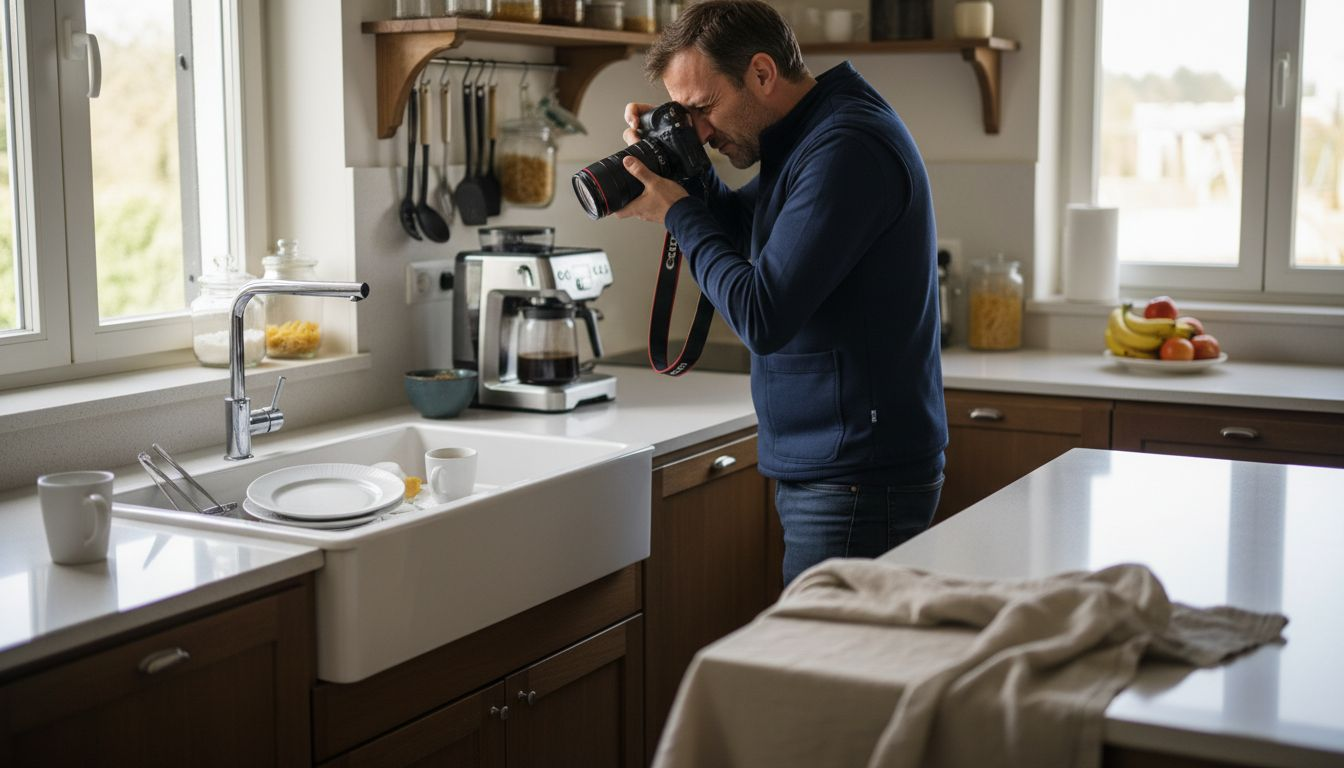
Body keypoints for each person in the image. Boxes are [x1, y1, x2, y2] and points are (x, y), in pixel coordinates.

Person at [613, 0, 947, 585]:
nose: (703, 129)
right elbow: (750, 231)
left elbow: (762, 315)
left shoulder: (847, 146)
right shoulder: (813, 132)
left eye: (702, 108)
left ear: (762, 74)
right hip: (838, 467)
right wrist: (684, 166)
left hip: (858, 477)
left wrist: (678, 213)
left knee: (826, 669)